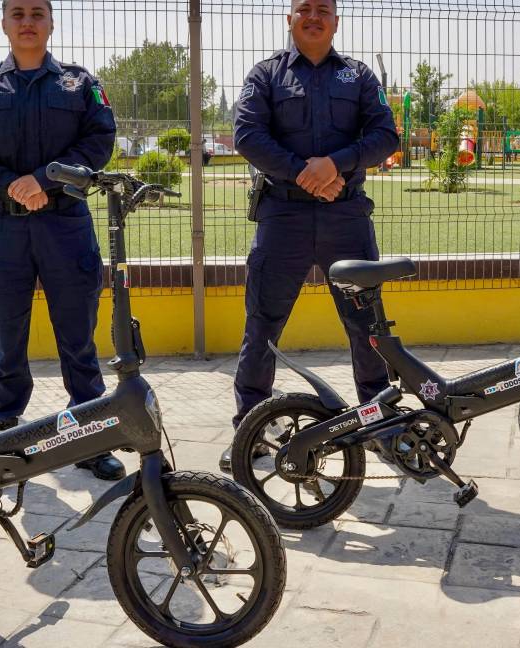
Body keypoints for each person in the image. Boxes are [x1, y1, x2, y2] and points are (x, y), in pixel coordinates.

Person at [0, 0, 124, 480]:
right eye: (18, 13)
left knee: (78, 333)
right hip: (3, 226)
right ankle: (1, 428)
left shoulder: (79, 82)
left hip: (65, 222)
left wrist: (43, 179)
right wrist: (8, 186)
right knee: (4, 328)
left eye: (37, 13)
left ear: (51, 23)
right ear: (4, 23)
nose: (28, 22)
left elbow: (100, 141)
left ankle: (88, 436)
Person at [220, 0, 399, 471]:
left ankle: (380, 425)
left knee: (368, 327)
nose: (313, 16)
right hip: (283, 218)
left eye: (323, 9)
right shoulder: (266, 75)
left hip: (346, 216)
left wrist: (334, 165)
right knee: (262, 326)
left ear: (336, 22)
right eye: (305, 9)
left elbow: (385, 137)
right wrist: (305, 172)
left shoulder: (358, 76)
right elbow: (247, 135)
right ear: (290, 18)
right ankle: (250, 429)